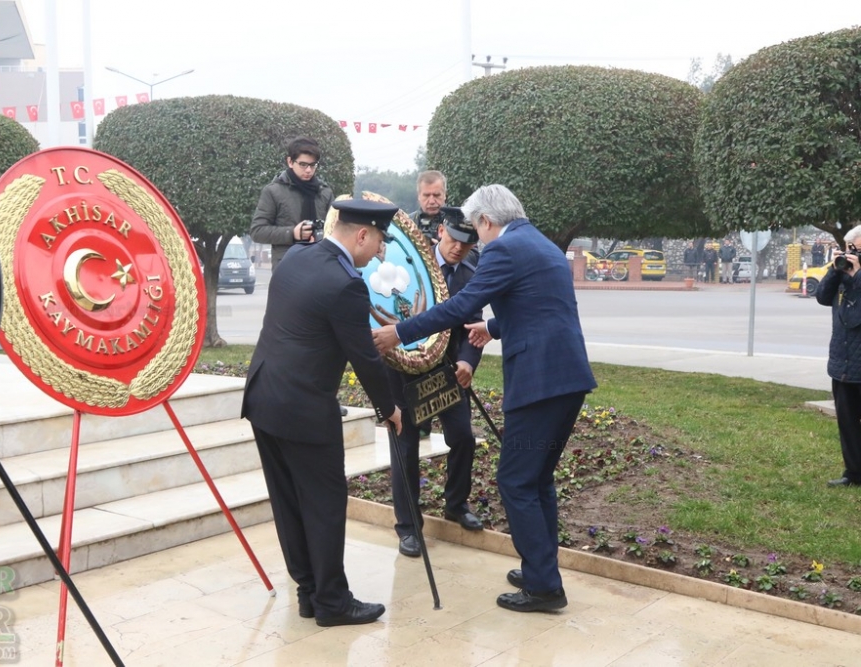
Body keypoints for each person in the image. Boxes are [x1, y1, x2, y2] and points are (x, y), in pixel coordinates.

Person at [373, 184, 597, 613]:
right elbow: (540, 306)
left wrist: (398, 331)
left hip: (540, 385)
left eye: (477, 229)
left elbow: (462, 305)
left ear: (487, 222)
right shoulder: (541, 244)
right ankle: (540, 567)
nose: (476, 240)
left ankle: (544, 587)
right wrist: (492, 329)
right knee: (537, 480)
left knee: (516, 480)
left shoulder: (503, 249)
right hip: (566, 379)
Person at [242, 199, 404, 626]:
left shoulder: (297, 258)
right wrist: (389, 408)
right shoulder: (346, 284)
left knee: (290, 504)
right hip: (304, 410)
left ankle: (309, 593)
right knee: (325, 505)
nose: (379, 253)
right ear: (362, 235)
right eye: (379, 242)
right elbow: (365, 357)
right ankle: (333, 602)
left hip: (264, 399)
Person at [386, 206, 485, 558]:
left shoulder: (473, 273)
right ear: (441, 230)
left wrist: (466, 362)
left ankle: (456, 503)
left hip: (447, 373)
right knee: (405, 447)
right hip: (405, 371)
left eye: (468, 243)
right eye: (455, 239)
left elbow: (474, 327)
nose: (459, 248)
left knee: (463, 438)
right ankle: (409, 526)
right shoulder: (413, 265)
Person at [816, 229, 861, 489]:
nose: (850, 254)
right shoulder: (842, 273)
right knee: (847, 423)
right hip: (843, 362)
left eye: (855, 249)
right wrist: (835, 270)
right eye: (848, 248)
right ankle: (853, 473)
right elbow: (822, 297)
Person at [250, 137, 334, 270]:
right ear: (290, 161)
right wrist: (292, 233)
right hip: (287, 267)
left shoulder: (324, 192)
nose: (308, 170)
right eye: (303, 164)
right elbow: (257, 231)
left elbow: (335, 230)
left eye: (313, 165)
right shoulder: (273, 191)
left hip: (320, 265)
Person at [410, 170, 448, 243]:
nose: (431, 201)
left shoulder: (456, 222)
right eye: (426, 196)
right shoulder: (408, 223)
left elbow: (472, 251)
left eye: (436, 195)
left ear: (444, 195)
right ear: (419, 196)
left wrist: (440, 250)